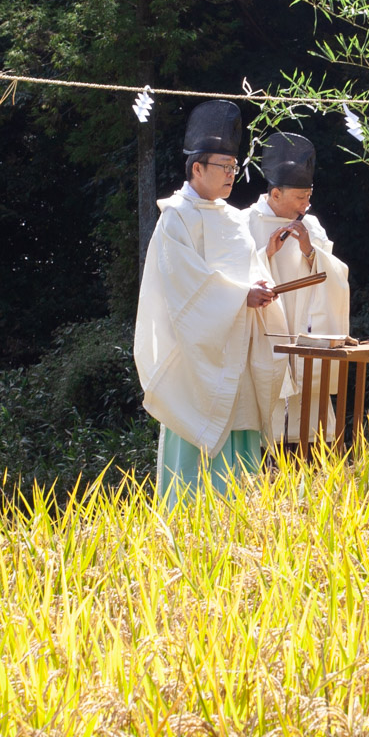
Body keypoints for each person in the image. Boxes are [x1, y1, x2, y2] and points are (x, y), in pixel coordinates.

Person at [134, 100, 289, 507]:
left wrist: (261, 287)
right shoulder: (176, 220)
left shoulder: (236, 219)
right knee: (194, 455)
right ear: (196, 168)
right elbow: (184, 289)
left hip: (239, 352)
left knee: (240, 439)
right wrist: (240, 296)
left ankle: (241, 530)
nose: (230, 175)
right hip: (198, 362)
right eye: (222, 166)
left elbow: (255, 267)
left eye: (234, 167)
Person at [245, 132, 351, 447]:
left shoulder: (312, 227)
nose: (306, 205)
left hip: (304, 330)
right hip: (267, 330)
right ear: (275, 193)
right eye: (300, 198)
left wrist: (310, 252)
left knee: (313, 424)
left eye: (308, 197)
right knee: (267, 412)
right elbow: (232, 277)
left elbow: (336, 276)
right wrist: (266, 255)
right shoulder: (244, 223)